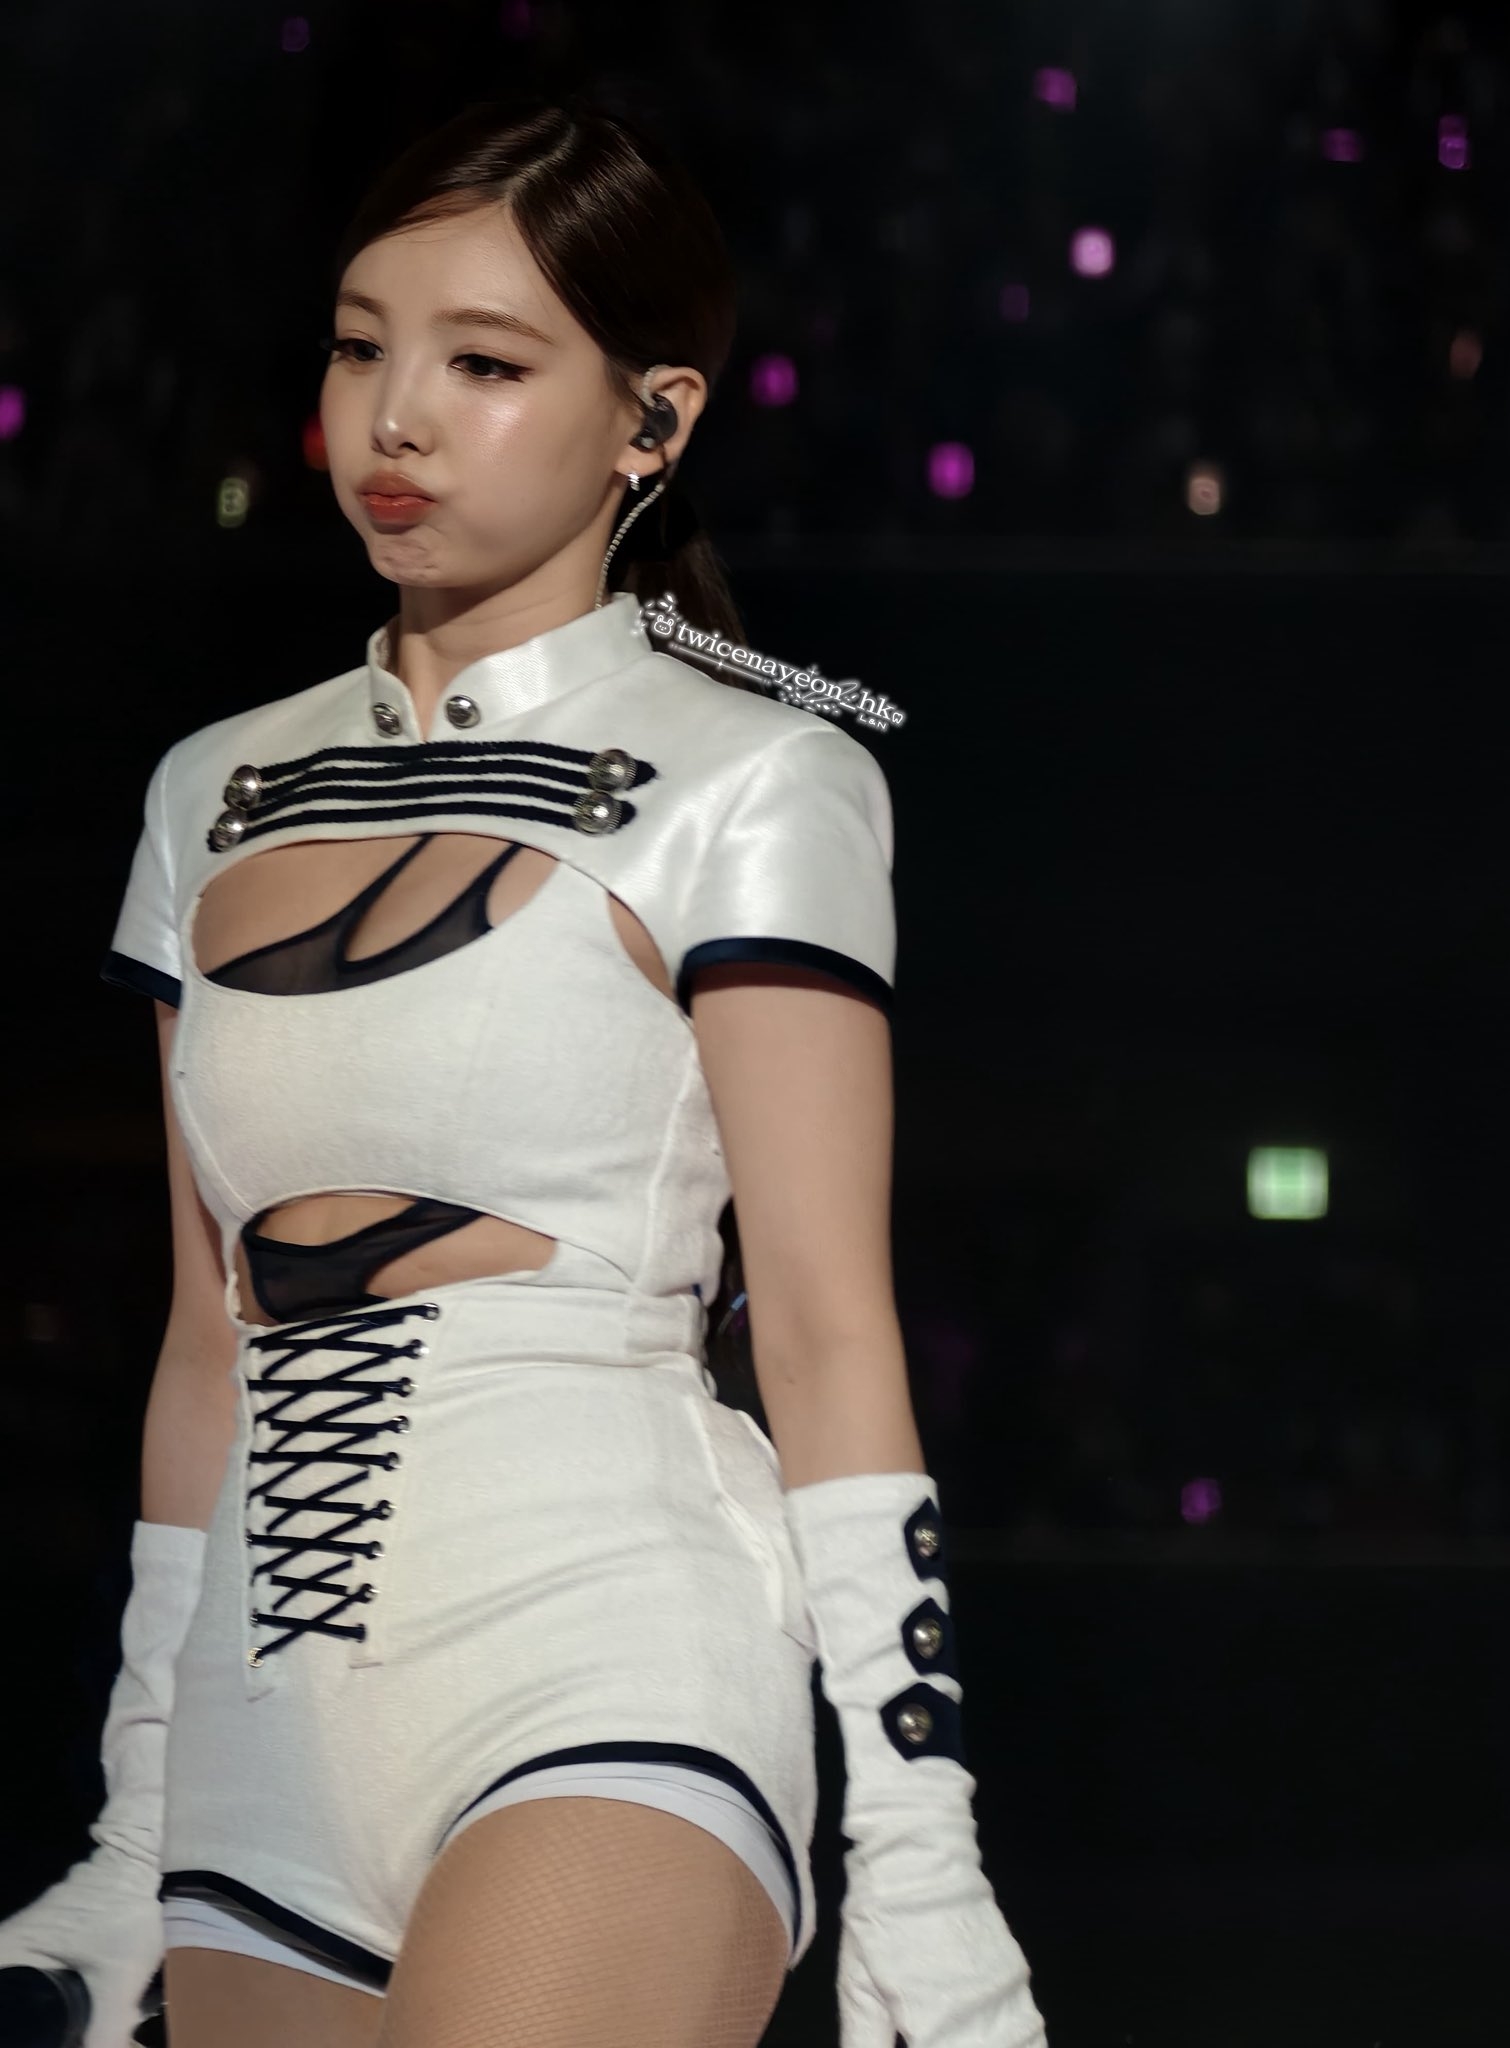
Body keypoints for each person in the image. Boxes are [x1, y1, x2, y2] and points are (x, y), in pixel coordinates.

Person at [0, 95, 1050, 2048]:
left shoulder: (761, 775)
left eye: (485, 363)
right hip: (262, 1724)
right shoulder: (205, 792)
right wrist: (131, 1817)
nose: (395, 416)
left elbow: (825, 1330)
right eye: (360, 344)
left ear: (654, 422)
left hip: (614, 1655)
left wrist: (922, 1848)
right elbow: (207, 1346)